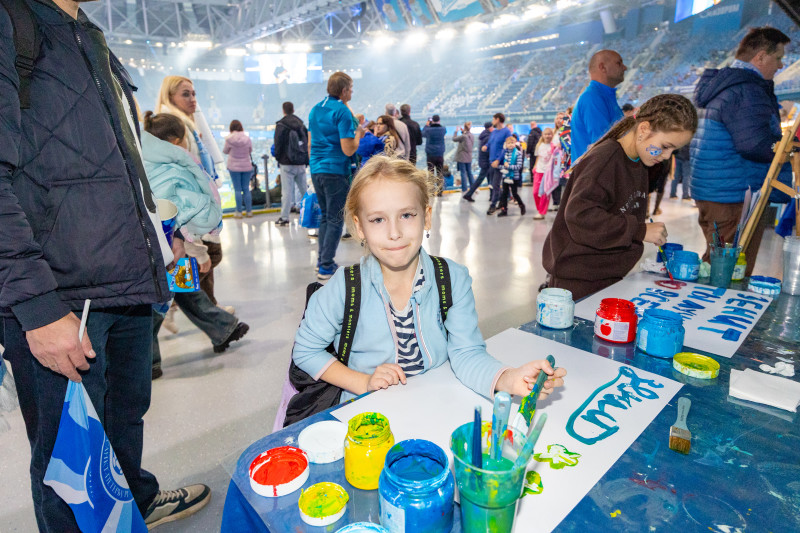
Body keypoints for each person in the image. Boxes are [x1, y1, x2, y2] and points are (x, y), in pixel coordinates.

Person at [0, 1, 211, 529]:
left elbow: (116, 164)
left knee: (123, 418)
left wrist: (164, 243)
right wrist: (37, 306)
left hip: (125, 277)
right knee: (73, 458)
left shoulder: (85, 30)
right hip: (61, 293)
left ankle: (136, 504)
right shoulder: (13, 19)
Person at [292, 156, 566, 404]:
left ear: (426, 217)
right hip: (366, 416)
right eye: (377, 220)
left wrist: (507, 378)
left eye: (406, 215)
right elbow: (305, 350)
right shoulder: (344, 287)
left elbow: (466, 353)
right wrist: (362, 382)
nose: (395, 232)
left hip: (434, 405)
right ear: (359, 227)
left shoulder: (452, 280)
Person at [542, 94, 698, 300]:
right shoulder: (605, 160)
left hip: (606, 275)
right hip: (578, 280)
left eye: (673, 150)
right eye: (665, 146)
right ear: (643, 129)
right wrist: (639, 230)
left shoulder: (640, 161)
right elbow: (580, 217)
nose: (667, 156)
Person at [141, 112, 249, 357]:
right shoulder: (174, 167)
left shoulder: (145, 163)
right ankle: (151, 360)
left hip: (156, 244)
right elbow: (182, 220)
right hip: (173, 246)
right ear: (177, 141)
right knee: (158, 302)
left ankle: (222, 329)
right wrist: (201, 254)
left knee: (182, 291)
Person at [690, 27, 791, 275]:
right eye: (778, 58)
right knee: (729, 270)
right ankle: (712, 312)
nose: (780, 65)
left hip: (717, 188)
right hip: (733, 193)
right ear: (760, 57)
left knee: (719, 263)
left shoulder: (729, 84)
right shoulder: (747, 89)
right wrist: (783, 150)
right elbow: (753, 143)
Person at [155, 76, 231, 313]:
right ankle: (208, 315)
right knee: (202, 258)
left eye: (194, 93)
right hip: (191, 208)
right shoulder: (176, 128)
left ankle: (192, 308)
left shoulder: (184, 124)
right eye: (185, 94)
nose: (193, 99)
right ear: (170, 97)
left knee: (202, 260)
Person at [308, 71, 364, 280]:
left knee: (325, 216)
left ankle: (322, 260)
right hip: (335, 170)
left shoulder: (315, 109)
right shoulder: (340, 111)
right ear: (343, 90)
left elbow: (311, 142)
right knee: (334, 219)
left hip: (317, 168)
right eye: (350, 88)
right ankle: (326, 266)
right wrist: (359, 133)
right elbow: (348, 149)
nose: (352, 92)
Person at [570, 50, 627, 162]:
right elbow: (603, 145)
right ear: (602, 67)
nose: (625, 67)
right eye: (619, 63)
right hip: (597, 174)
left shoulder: (603, 96)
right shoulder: (592, 98)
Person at [274, 101, 309, 227]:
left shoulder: (281, 125)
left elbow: (277, 144)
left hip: (286, 163)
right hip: (300, 162)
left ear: (283, 110)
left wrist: (279, 158)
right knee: (304, 190)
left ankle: (284, 218)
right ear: (293, 109)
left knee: (287, 192)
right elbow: (306, 142)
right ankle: (311, 214)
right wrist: (306, 159)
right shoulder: (301, 124)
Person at [223, 119, 254, 218]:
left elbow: (225, 151)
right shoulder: (247, 138)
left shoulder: (229, 139)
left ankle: (239, 212)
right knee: (246, 189)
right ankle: (249, 211)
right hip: (246, 166)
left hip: (234, 167)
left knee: (237, 189)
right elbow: (250, 150)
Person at [486, 113, 513, 215]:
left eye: (493, 119)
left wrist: (498, 160)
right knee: (494, 184)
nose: (492, 121)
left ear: (498, 120)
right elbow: (490, 143)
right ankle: (502, 200)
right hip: (491, 161)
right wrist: (485, 146)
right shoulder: (494, 132)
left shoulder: (506, 132)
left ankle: (493, 205)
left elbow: (506, 147)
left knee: (495, 184)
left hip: (500, 163)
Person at [461, 121, 493, 202]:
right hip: (486, 162)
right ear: (490, 127)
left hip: (484, 161)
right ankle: (468, 194)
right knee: (480, 179)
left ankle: (492, 196)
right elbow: (488, 150)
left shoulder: (484, 135)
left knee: (490, 179)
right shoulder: (488, 137)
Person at [497, 136, 526, 217]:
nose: (510, 145)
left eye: (512, 143)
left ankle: (521, 205)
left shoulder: (518, 153)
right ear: (506, 144)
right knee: (504, 193)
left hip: (514, 177)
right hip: (505, 176)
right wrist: (503, 167)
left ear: (515, 143)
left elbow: (519, 166)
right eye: (508, 143)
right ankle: (504, 210)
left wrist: (508, 166)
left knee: (514, 193)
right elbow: (500, 165)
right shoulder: (504, 153)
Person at [550, 111, 572, 210]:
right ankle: (556, 202)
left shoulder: (568, 132)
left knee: (565, 182)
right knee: (555, 182)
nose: (559, 120)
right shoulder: (553, 132)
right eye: (558, 118)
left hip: (565, 161)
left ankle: (567, 203)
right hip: (553, 161)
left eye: (561, 118)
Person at [532, 128, 555, 219]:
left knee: (545, 193)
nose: (547, 136)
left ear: (552, 135)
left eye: (549, 134)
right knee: (535, 192)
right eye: (545, 134)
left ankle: (542, 212)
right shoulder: (539, 145)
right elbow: (538, 157)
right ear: (542, 135)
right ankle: (539, 209)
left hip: (548, 173)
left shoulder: (554, 146)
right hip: (538, 171)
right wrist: (535, 166)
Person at [422, 114, 447, 184]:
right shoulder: (443, 129)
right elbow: (443, 130)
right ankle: (440, 190)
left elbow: (422, 134)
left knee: (431, 172)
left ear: (432, 121)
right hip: (440, 154)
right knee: (440, 172)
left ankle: (431, 190)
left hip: (430, 154)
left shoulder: (428, 130)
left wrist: (427, 125)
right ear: (439, 121)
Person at [452, 122, 475, 193]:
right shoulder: (471, 135)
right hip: (469, 157)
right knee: (469, 172)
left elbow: (454, 139)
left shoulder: (463, 136)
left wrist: (456, 131)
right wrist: (463, 132)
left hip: (462, 157)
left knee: (463, 173)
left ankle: (464, 189)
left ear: (465, 128)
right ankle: (473, 187)